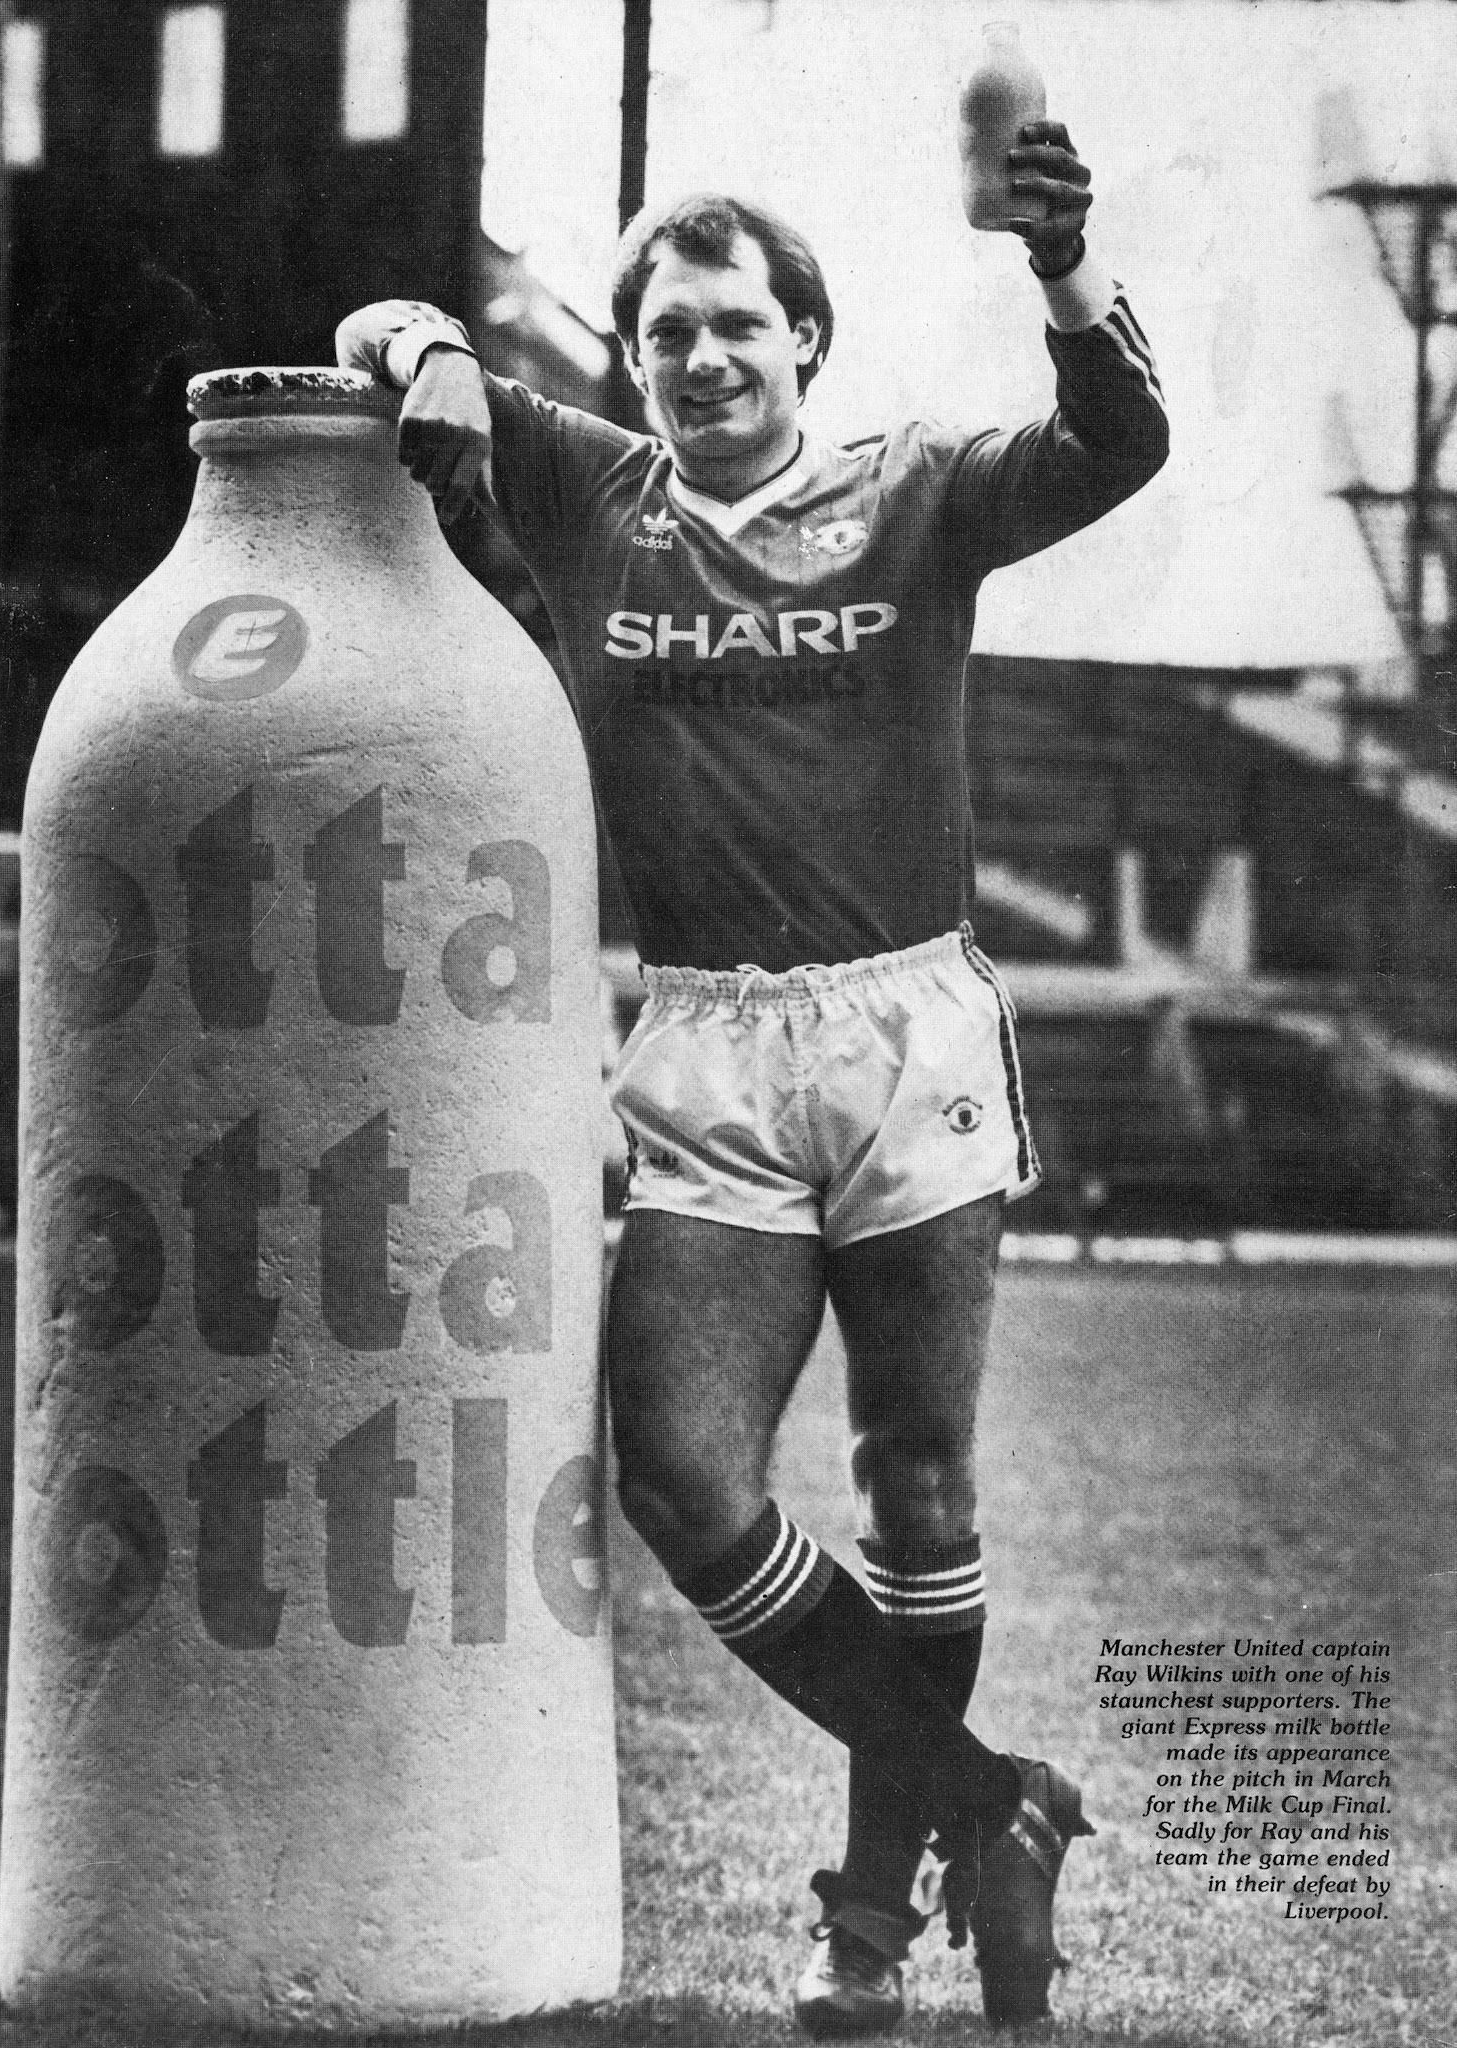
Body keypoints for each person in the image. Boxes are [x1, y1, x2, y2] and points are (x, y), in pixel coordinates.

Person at [337, 122, 1166, 2035]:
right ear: (628, 365)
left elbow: (1120, 446)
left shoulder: (919, 494)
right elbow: (384, 317)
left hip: (908, 1041)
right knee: (686, 1477)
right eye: (664, 338)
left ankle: (867, 1933)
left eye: (735, 329)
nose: (700, 363)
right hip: (703, 1038)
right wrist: (423, 348)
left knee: (921, 1481)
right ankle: (994, 1802)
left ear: (806, 341)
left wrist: (1062, 267)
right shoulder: (585, 490)